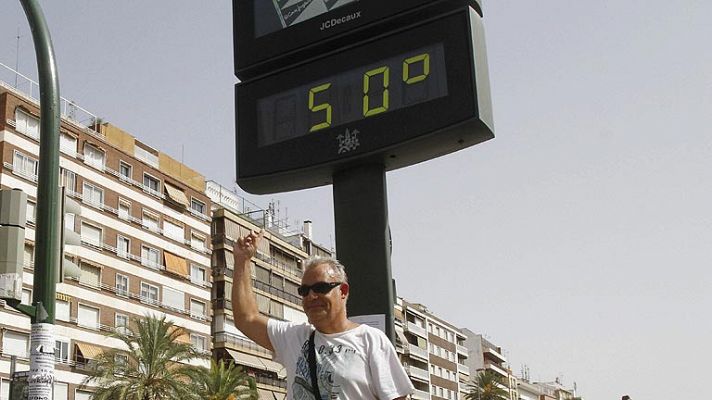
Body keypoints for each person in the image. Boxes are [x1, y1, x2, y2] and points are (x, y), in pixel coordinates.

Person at [232, 230, 414, 400]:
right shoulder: (294, 337)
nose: (311, 296)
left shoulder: (371, 340)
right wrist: (242, 260)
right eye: (304, 290)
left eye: (320, 288)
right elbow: (246, 318)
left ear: (343, 291)